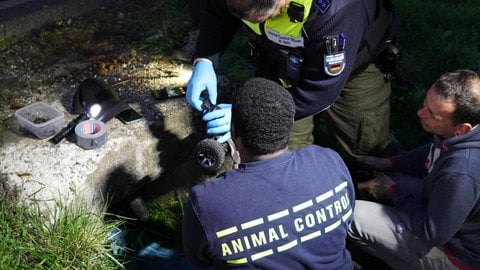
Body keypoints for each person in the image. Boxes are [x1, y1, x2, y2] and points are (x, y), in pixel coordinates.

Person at [185, 0, 401, 160]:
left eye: (268, 18)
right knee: (274, 152)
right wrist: (205, 59)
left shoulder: (340, 10)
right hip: (280, 63)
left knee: (368, 142)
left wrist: (250, 115)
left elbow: (320, 91)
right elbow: (219, 13)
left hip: (353, 66)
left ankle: (387, 196)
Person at [182, 77, 355, 269]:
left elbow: (200, 261)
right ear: (289, 125)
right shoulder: (328, 160)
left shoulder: (206, 201)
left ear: (233, 131)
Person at [347, 69, 480, 269]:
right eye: (425, 103)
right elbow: (435, 149)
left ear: (462, 129)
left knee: (354, 215)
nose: (420, 113)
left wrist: (393, 192)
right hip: (442, 208)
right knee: (392, 177)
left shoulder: (461, 173)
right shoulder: (460, 135)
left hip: (455, 254)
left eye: (432, 115)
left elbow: (431, 232)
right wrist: (390, 162)